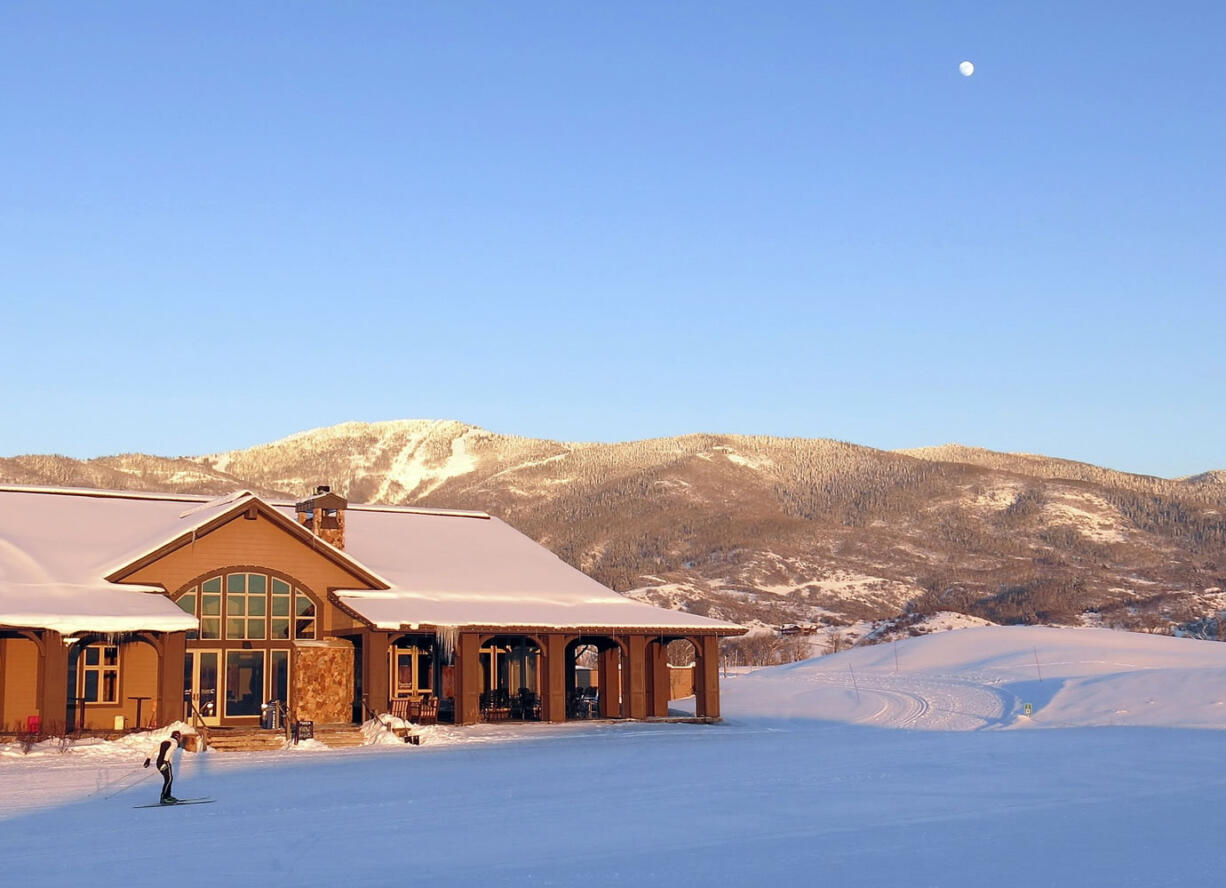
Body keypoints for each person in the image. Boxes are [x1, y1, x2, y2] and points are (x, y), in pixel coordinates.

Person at [143, 730, 182, 804]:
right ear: (178, 737)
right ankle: (164, 798)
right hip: (165, 762)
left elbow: (153, 749)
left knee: (168, 779)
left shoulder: (165, 741)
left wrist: (148, 759)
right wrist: (165, 762)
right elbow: (168, 752)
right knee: (169, 779)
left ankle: (168, 796)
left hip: (159, 762)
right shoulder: (174, 743)